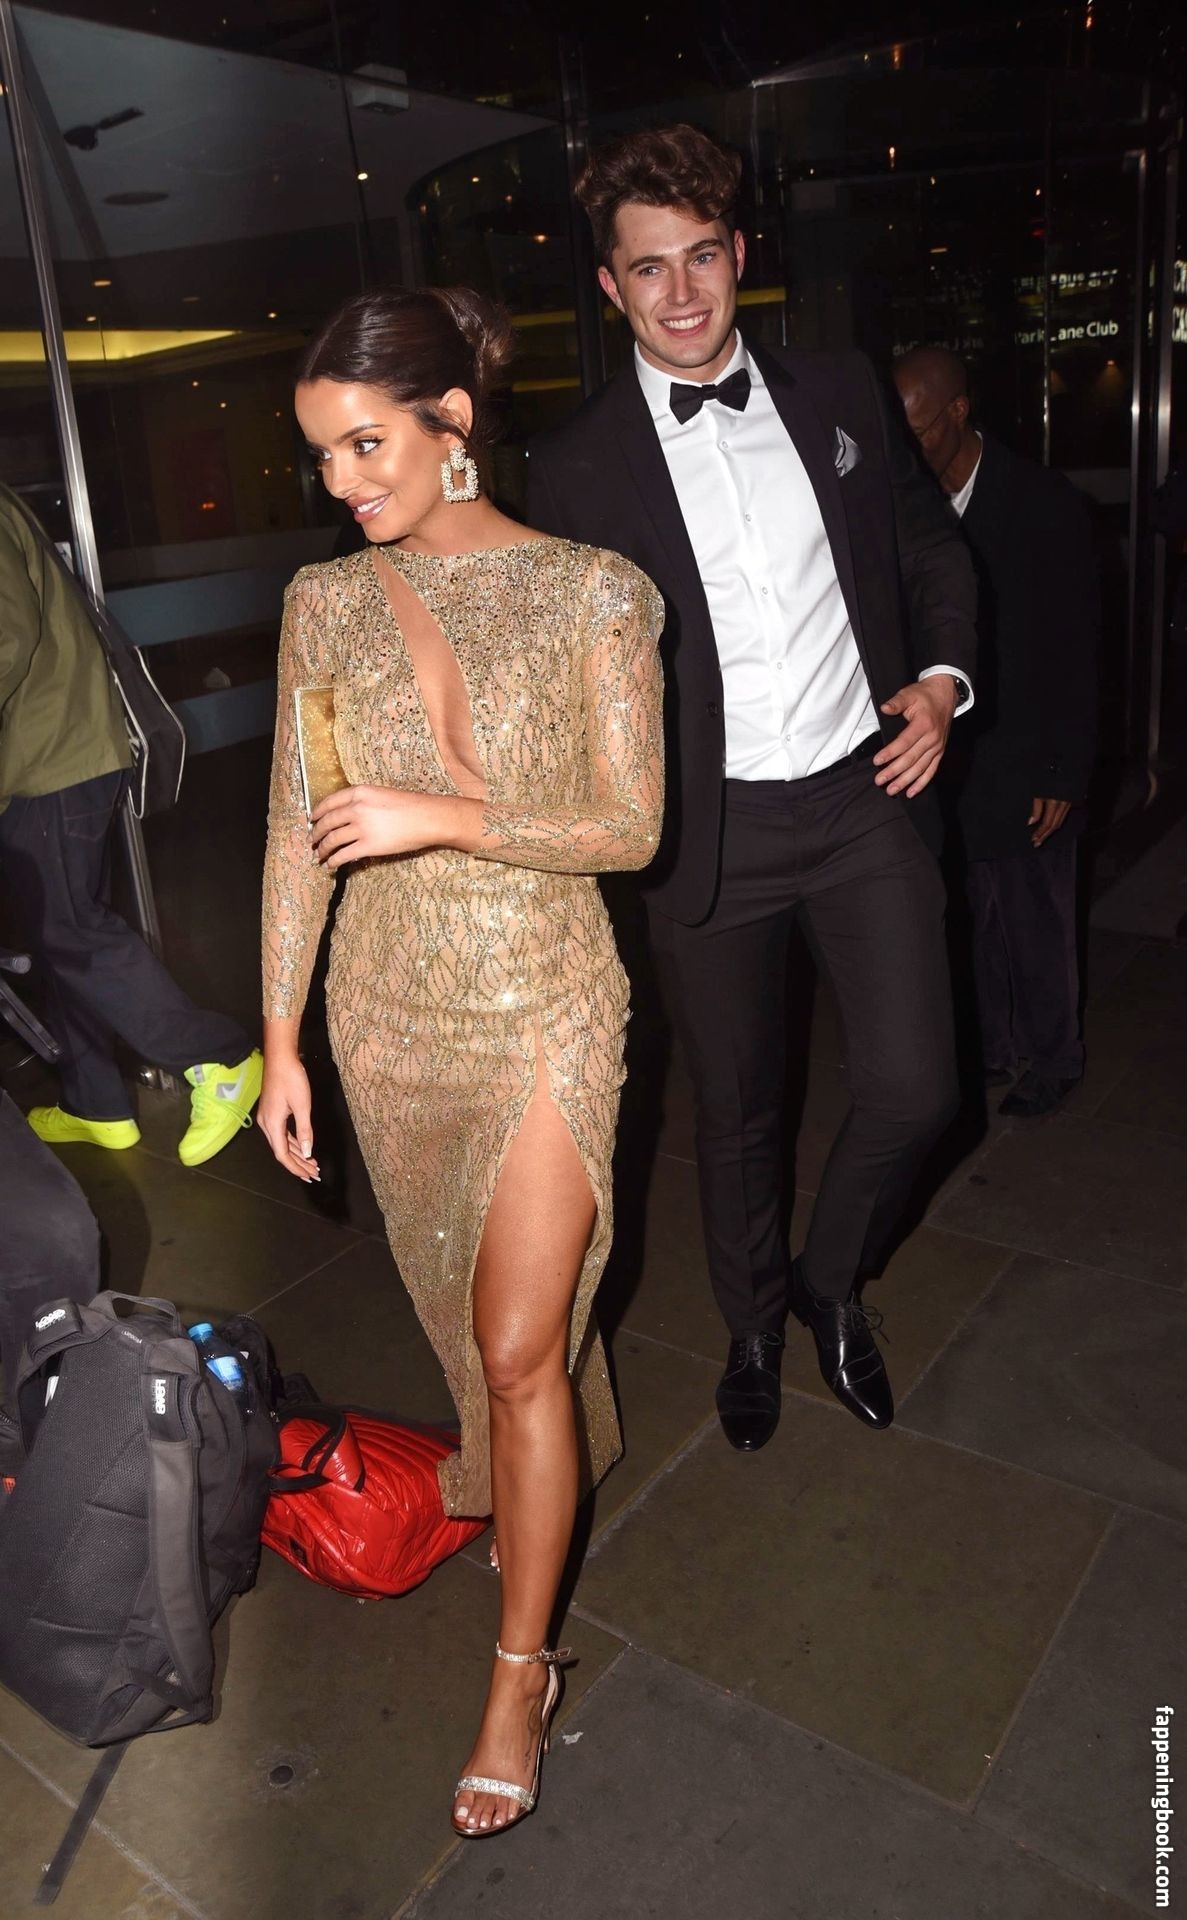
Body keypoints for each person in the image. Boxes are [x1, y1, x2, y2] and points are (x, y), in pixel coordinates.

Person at [257, 286, 664, 1837]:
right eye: (324, 454)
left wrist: (438, 815)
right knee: (466, 1332)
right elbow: (297, 832)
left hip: (545, 999)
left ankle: (518, 1670)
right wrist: (281, 1038)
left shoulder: (593, 594)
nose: (343, 480)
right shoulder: (323, 605)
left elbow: (628, 829)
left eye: (367, 444)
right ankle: (531, 1491)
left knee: (515, 1349)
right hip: (387, 1014)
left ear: (454, 424)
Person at [527, 124, 978, 1452]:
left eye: (701, 257)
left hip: (859, 796)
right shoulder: (574, 465)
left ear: (738, 255)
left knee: (916, 1087)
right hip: (705, 834)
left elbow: (927, 547)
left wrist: (939, 683)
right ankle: (747, 1327)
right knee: (734, 1115)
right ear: (609, 285)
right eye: (647, 267)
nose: (680, 293)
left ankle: (826, 1282)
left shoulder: (838, 389)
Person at [0, 484, 263, 1164]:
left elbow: (6, 636)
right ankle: (95, 1104)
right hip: (59, 750)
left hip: (48, 755)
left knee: (71, 930)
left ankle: (220, 1058)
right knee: (59, 931)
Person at [893, 347, 1098, 1117]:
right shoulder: (905, 503)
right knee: (968, 915)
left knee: (1035, 917)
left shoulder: (1041, 501)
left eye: (918, 428)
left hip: (1027, 753)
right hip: (949, 756)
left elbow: (1076, 645)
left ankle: (1054, 1058)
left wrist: (1061, 771)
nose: (906, 446)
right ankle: (992, 1048)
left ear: (957, 411)